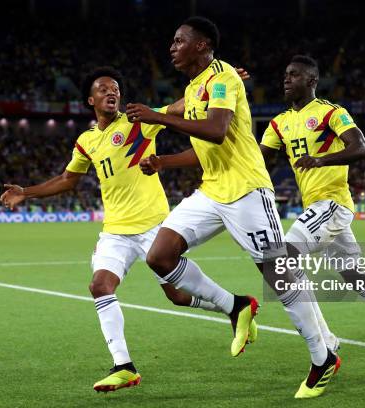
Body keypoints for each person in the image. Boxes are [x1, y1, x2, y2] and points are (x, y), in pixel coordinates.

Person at [0, 66, 254, 394]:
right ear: (90, 100)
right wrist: (26, 192)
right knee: (100, 285)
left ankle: (236, 305)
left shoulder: (138, 121)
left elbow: (177, 108)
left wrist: (217, 85)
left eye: (115, 88)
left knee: (176, 297)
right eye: (104, 89)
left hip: (154, 226)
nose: (111, 92)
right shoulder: (87, 141)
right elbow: (68, 179)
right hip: (115, 232)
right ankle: (124, 367)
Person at [127, 17, 338, 399]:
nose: (171, 47)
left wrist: (158, 116)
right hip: (212, 191)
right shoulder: (195, 88)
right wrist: (164, 161)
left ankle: (322, 358)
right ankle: (236, 305)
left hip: (247, 191)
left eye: (179, 40)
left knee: (279, 275)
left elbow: (217, 130)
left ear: (202, 45)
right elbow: (204, 149)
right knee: (160, 255)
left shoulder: (223, 77)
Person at [260, 55, 365, 368]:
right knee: (356, 276)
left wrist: (321, 159)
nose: (286, 79)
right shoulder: (278, 122)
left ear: (311, 81)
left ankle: (325, 338)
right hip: (316, 208)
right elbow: (257, 161)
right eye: (285, 74)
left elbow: (361, 147)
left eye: (294, 75)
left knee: (281, 261)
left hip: (332, 203)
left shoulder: (330, 113)